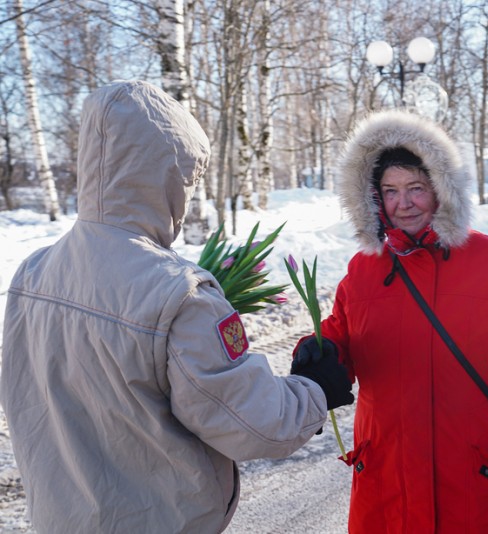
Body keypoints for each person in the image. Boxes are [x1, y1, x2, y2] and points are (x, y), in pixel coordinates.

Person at [0, 80, 353, 533]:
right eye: (188, 178)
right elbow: (252, 424)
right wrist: (314, 389)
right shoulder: (178, 293)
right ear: (166, 174)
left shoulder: (32, 273)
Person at [290, 109, 488, 534]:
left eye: (416, 187)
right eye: (390, 190)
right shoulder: (363, 270)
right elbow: (340, 335)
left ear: (441, 188)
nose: (404, 203)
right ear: (373, 198)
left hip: (477, 486)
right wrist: (317, 352)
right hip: (386, 487)